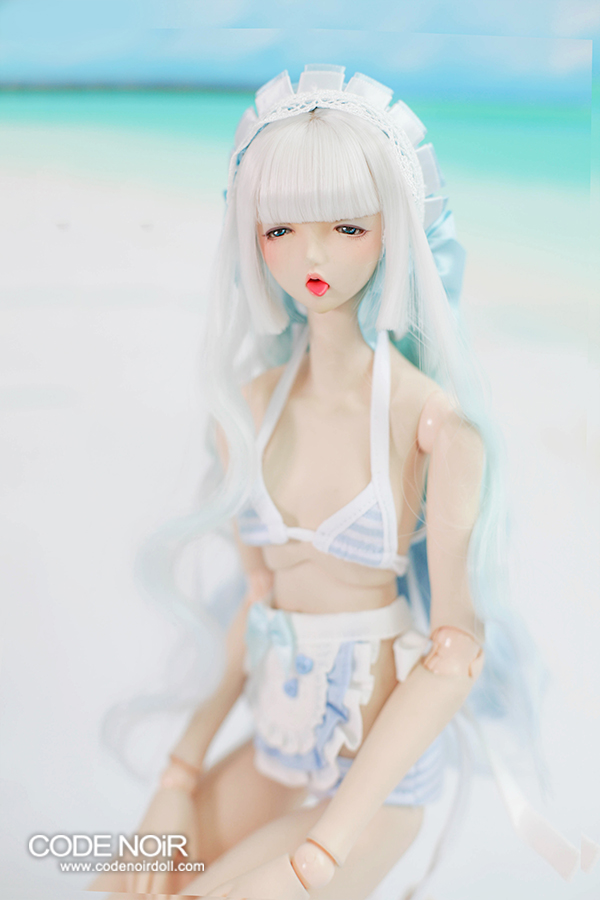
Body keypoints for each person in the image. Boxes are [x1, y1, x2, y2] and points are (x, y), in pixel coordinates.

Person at [90, 65, 584, 899]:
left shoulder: (433, 425)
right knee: (116, 888)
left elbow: (454, 653)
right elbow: (259, 606)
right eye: (281, 229)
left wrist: (326, 846)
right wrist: (178, 773)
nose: (312, 255)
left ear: (392, 230)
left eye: (347, 226)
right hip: (278, 752)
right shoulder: (248, 409)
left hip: (375, 787)